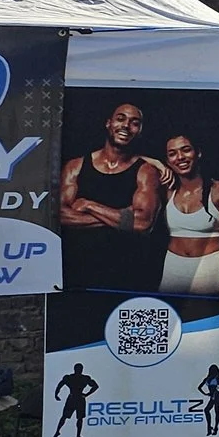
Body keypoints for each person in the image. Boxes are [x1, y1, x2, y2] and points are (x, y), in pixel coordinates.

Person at [58, 102, 166, 293]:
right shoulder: (76, 166)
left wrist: (88, 204)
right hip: (78, 273)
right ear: (108, 123)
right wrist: (123, 217)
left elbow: (142, 223)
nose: (126, 125)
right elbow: (58, 215)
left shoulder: (146, 171)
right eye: (120, 118)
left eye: (134, 122)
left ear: (139, 130)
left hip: (127, 274)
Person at [158, 133, 219, 297]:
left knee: (206, 320)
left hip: (209, 270)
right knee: (172, 321)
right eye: (172, 154)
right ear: (167, 161)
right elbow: (134, 158)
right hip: (172, 270)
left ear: (198, 153)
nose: (180, 157)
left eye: (186, 150)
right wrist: (156, 164)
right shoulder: (167, 192)